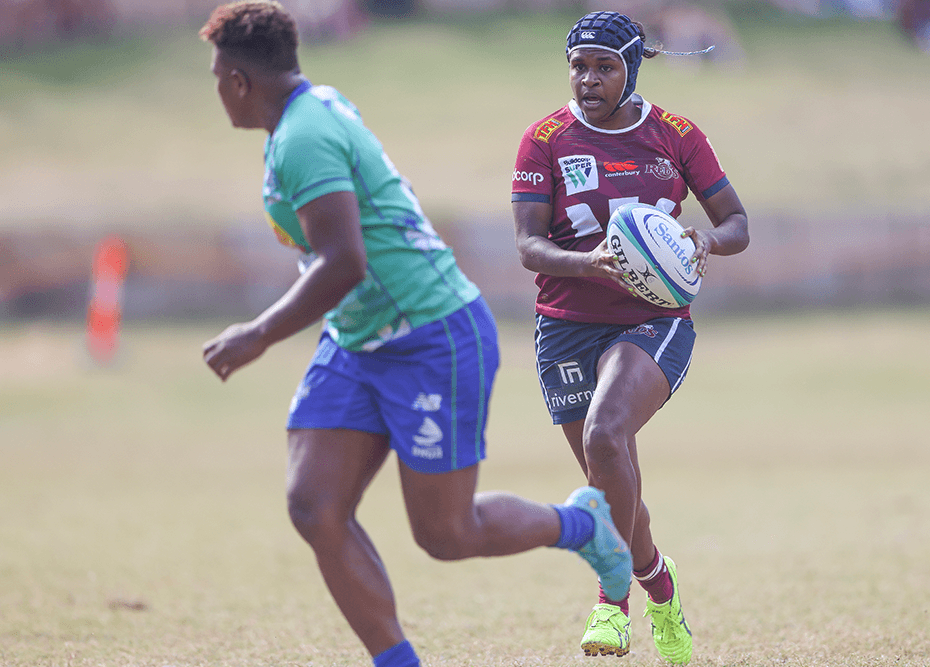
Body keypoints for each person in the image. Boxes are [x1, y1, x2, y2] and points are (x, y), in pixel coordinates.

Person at [197, 3, 634, 667]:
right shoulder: (304, 112)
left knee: (447, 532)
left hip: (432, 335)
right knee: (314, 504)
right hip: (358, 339)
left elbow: (346, 261)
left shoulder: (304, 135)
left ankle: (583, 524)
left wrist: (257, 334)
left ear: (236, 80)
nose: (215, 87)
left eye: (214, 74)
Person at [511, 10, 750, 664]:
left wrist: (705, 239)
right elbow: (529, 245)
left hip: (654, 318)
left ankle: (610, 602)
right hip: (563, 326)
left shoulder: (676, 135)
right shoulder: (545, 139)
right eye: (579, 66)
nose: (588, 79)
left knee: (605, 433)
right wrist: (586, 261)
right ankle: (662, 588)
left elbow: (736, 222)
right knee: (613, 480)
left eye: (604, 66)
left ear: (631, 68)